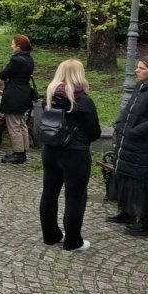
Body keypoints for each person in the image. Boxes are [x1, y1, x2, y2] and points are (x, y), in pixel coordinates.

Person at [107, 55, 148, 236]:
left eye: (141, 68)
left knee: (141, 184)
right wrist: (120, 124)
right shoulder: (142, 86)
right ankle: (127, 212)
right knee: (126, 178)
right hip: (128, 144)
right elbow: (129, 111)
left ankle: (145, 223)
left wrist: (133, 132)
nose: (136, 70)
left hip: (144, 147)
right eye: (137, 67)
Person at [39, 59, 102, 252]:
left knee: (49, 193)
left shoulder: (50, 97)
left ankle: (50, 235)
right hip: (75, 154)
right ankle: (73, 241)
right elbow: (95, 132)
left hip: (50, 150)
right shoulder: (83, 101)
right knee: (75, 197)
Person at [0, 34, 35, 165]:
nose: (11, 46)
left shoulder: (16, 60)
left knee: (14, 125)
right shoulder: (29, 59)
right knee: (21, 123)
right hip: (24, 93)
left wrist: (5, 75)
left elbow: (4, 74)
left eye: (13, 43)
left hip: (14, 94)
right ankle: (23, 151)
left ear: (19, 46)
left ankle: (18, 153)